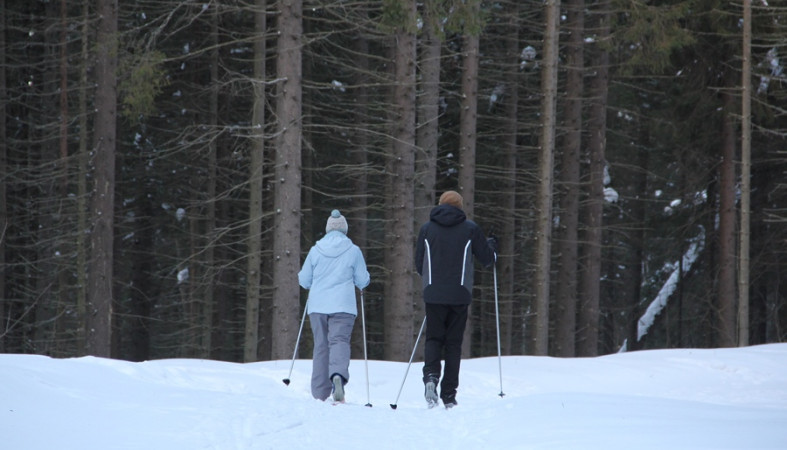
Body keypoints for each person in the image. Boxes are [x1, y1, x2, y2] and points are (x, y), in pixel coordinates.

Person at [414, 191, 497, 408]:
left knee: (433, 339)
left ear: (440, 205)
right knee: (453, 345)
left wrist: (432, 283)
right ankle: (449, 395)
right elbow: (487, 259)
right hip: (459, 294)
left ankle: (431, 377)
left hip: (434, 292)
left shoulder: (427, 229)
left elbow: (418, 262)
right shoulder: (470, 228)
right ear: (460, 207)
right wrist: (492, 246)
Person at [298, 209, 370, 403]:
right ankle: (337, 375)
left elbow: (304, 280)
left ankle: (320, 393)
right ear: (344, 229)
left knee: (321, 346)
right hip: (343, 306)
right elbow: (362, 280)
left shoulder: (315, 250)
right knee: (339, 341)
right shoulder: (353, 250)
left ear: (328, 229)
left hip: (318, 306)